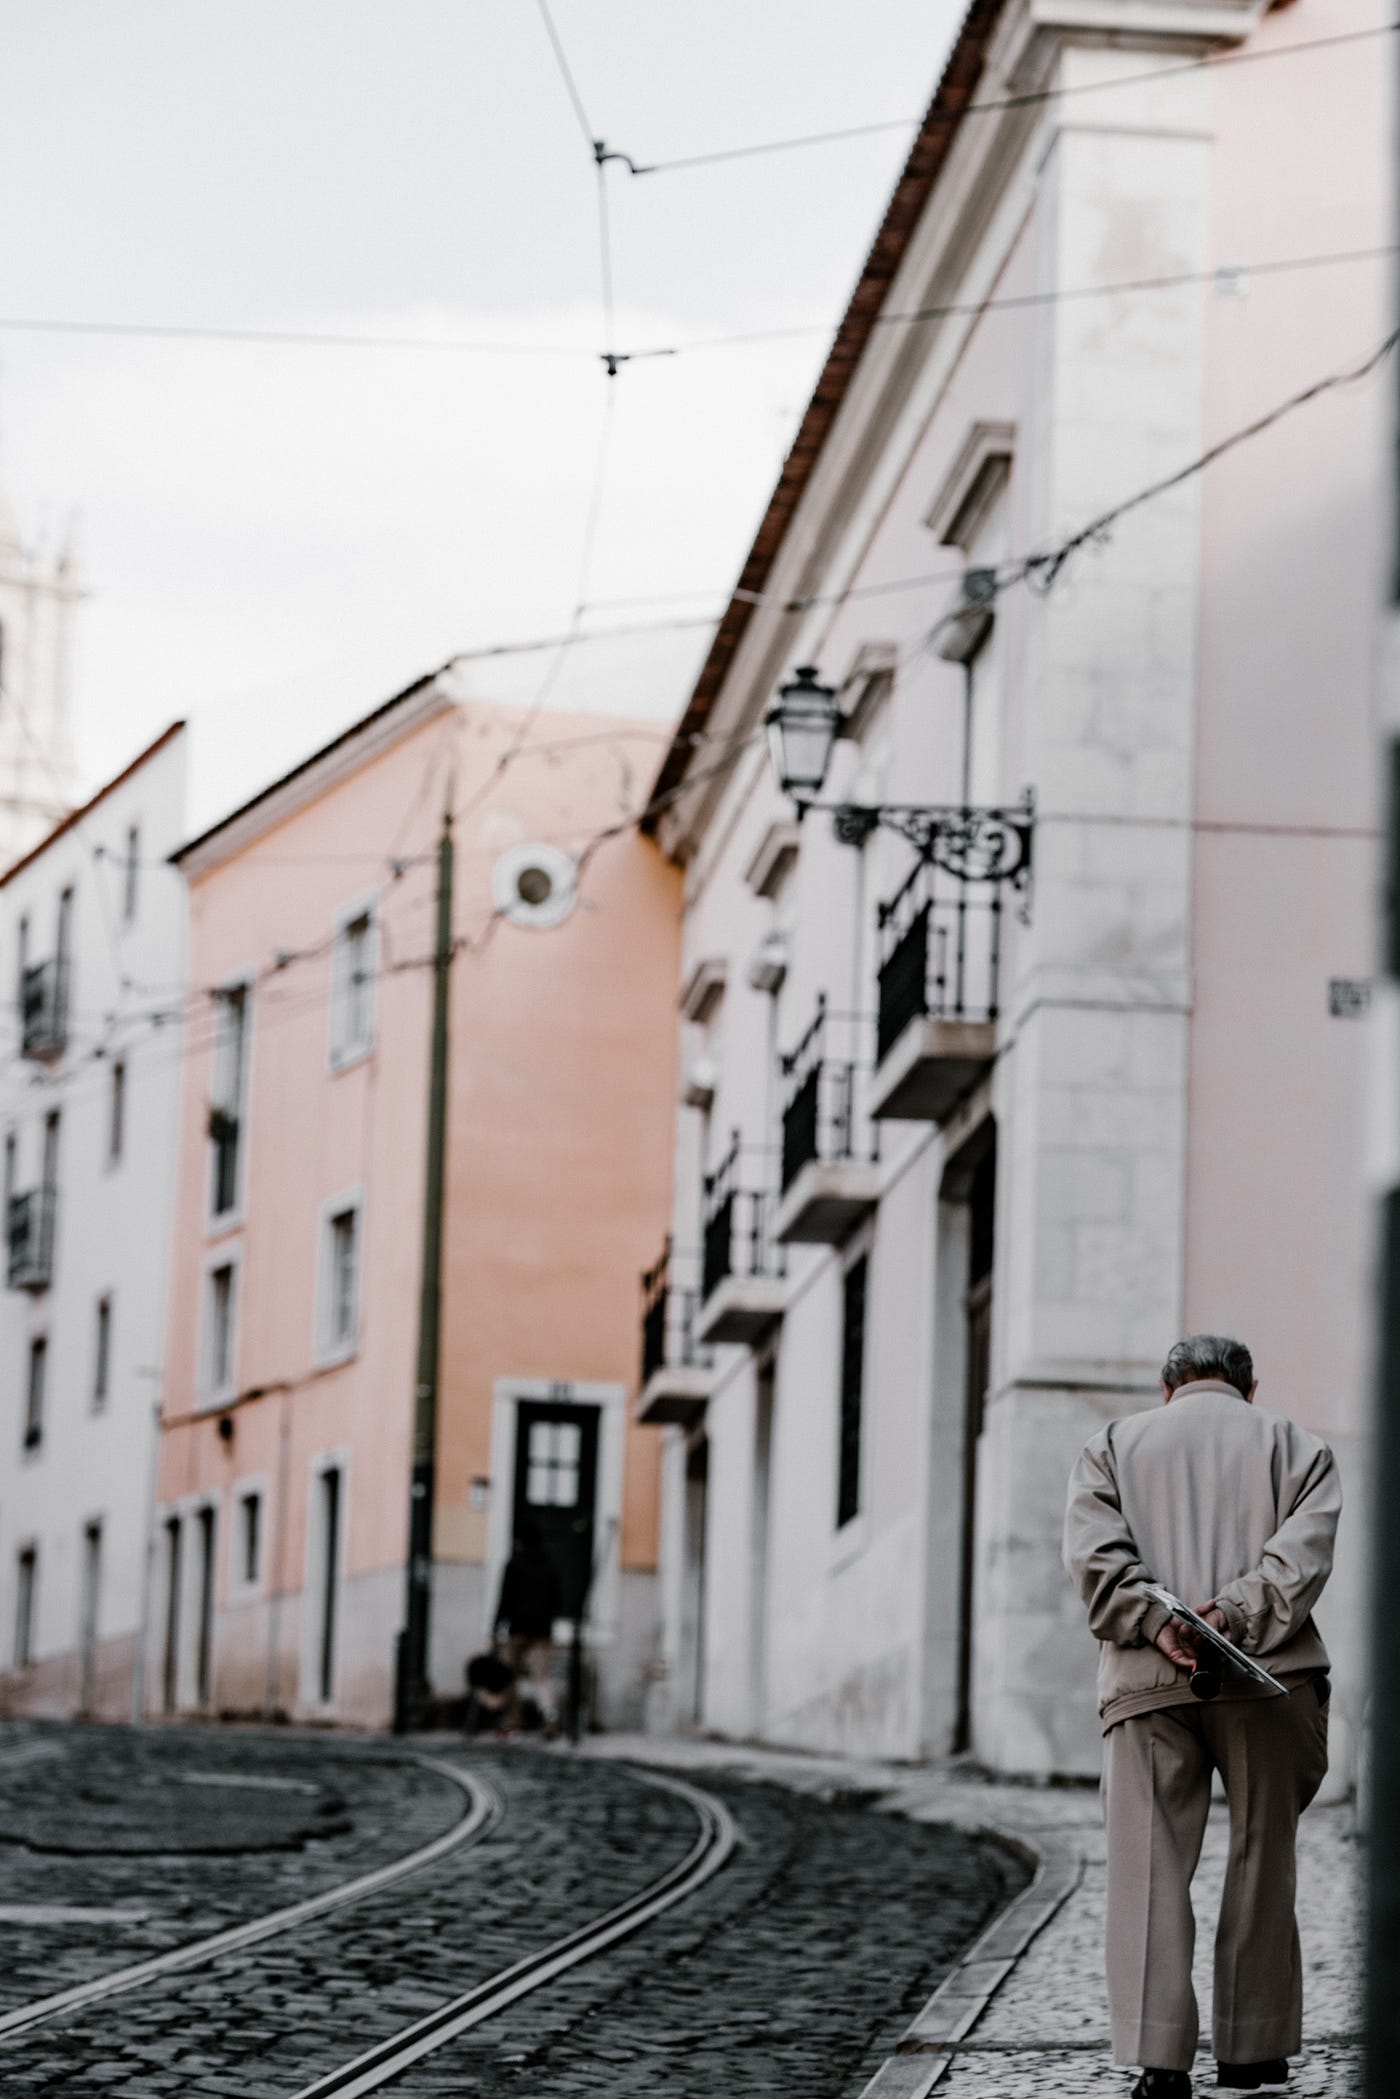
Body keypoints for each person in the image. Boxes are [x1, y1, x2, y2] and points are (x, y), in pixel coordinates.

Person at [1063, 1334, 1341, 2099]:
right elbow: (1303, 1559)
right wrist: (1234, 1612)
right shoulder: (1298, 1446)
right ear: (1248, 1390)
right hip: (1268, 1678)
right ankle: (1253, 2050)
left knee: (1147, 1867)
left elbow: (1094, 1558)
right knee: (1262, 1856)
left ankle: (1160, 2061)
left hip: (1147, 1683)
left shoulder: (1111, 1445)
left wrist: (1158, 1623)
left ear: (1167, 1389)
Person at [493, 1520, 562, 1733]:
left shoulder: (514, 1564)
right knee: (541, 1677)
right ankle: (550, 1714)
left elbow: (504, 1599)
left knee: (510, 1676)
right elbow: (557, 1601)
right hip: (542, 1630)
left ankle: (514, 1719)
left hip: (517, 1628)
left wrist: (496, 1628)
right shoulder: (549, 1566)